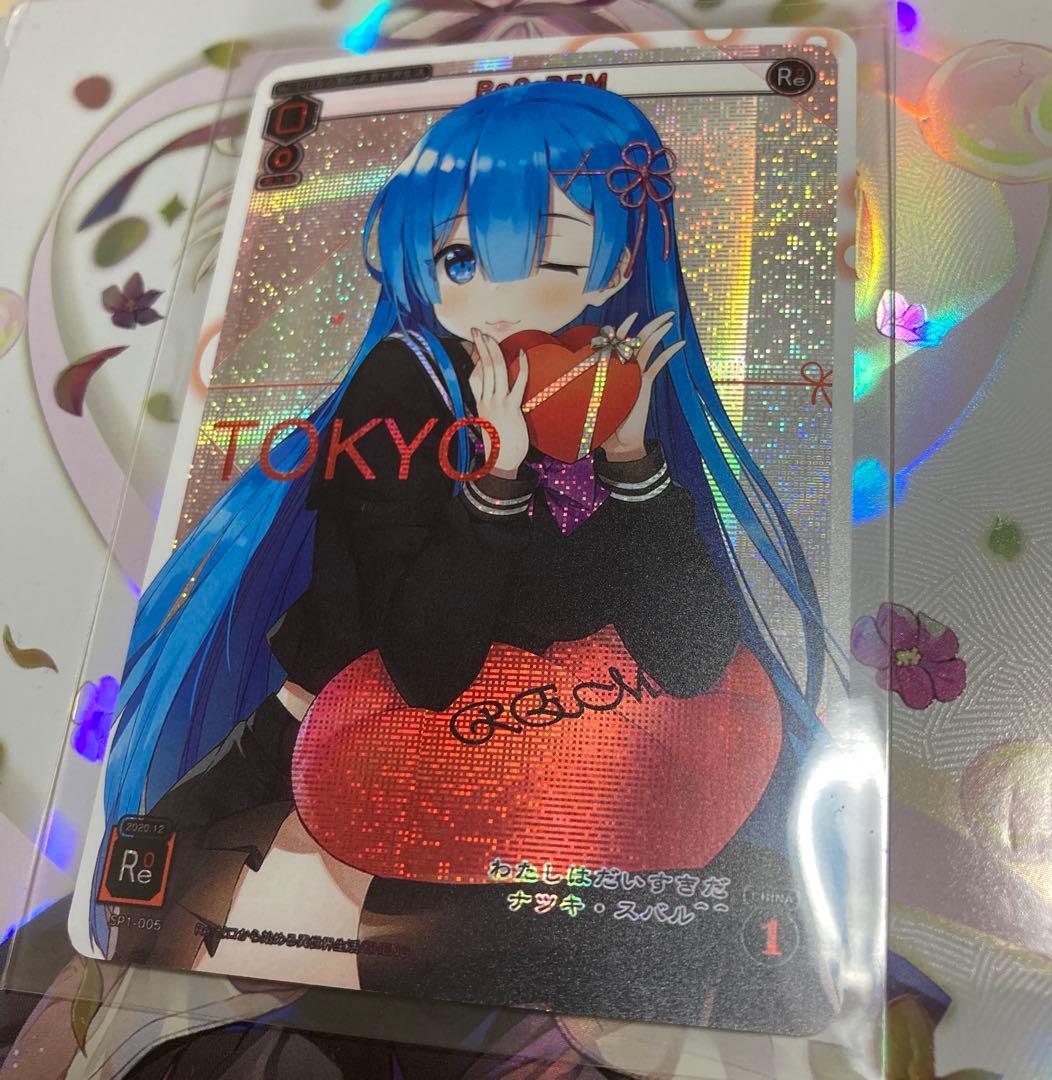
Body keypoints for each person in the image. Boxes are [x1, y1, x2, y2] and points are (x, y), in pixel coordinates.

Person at [94, 80, 830, 1026]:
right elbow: (426, 669)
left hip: (543, 769)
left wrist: (632, 462)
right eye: (460, 258)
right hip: (348, 752)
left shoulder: (605, 383)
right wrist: (497, 479)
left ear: (613, 267)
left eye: (550, 255)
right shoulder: (403, 389)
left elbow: (688, 659)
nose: (494, 295)